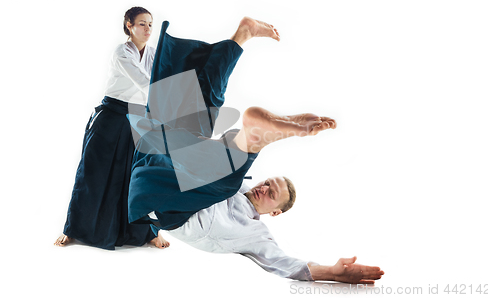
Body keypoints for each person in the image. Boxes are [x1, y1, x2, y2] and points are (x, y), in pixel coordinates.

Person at [125, 22, 384, 283]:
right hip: (162, 166)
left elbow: (284, 263)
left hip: (176, 205)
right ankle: (242, 36)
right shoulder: (240, 185)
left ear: (275, 213)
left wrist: (332, 273)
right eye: (267, 183)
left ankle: (257, 137)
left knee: (225, 179)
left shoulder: (255, 232)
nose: (263, 188)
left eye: (271, 194)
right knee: (201, 108)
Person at [55, 8, 282, 250]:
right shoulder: (121, 53)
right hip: (112, 118)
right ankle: (73, 229)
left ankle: (148, 231)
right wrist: (177, 98)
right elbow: (145, 84)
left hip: (141, 117)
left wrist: (185, 88)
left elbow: (161, 82)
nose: (147, 29)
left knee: (144, 176)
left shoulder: (153, 54)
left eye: (150, 25)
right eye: (142, 24)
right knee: (93, 175)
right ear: (129, 26)